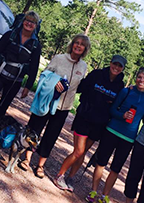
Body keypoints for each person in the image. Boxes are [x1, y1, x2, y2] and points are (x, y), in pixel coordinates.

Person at [19, 34, 90, 179]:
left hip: (64, 107)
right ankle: (26, 158)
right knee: (35, 129)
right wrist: (55, 82)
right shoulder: (59, 58)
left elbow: (80, 86)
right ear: (72, 44)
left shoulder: (83, 66)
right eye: (76, 42)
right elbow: (45, 75)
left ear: (85, 48)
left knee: (51, 135)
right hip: (47, 101)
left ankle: (40, 165)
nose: (78, 46)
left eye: (82, 44)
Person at [53, 55, 126, 192]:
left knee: (84, 151)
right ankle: (59, 175)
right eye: (114, 64)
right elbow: (81, 88)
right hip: (85, 117)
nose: (116, 67)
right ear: (110, 63)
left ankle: (70, 177)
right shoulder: (97, 74)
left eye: (119, 66)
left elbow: (117, 103)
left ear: (122, 69)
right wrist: (92, 100)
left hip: (100, 122)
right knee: (78, 151)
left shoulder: (120, 85)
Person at [86, 67, 144, 203]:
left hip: (128, 138)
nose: (141, 80)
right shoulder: (126, 91)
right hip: (112, 131)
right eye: (140, 77)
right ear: (136, 78)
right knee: (101, 163)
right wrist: (122, 115)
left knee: (116, 168)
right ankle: (93, 191)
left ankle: (105, 196)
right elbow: (112, 110)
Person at [0, 11, 41, 134]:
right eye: (27, 20)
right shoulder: (10, 35)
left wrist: (28, 86)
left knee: (2, 108)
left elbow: (34, 67)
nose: (29, 23)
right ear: (22, 21)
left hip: (16, 80)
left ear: (36, 26)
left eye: (32, 22)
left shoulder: (36, 45)